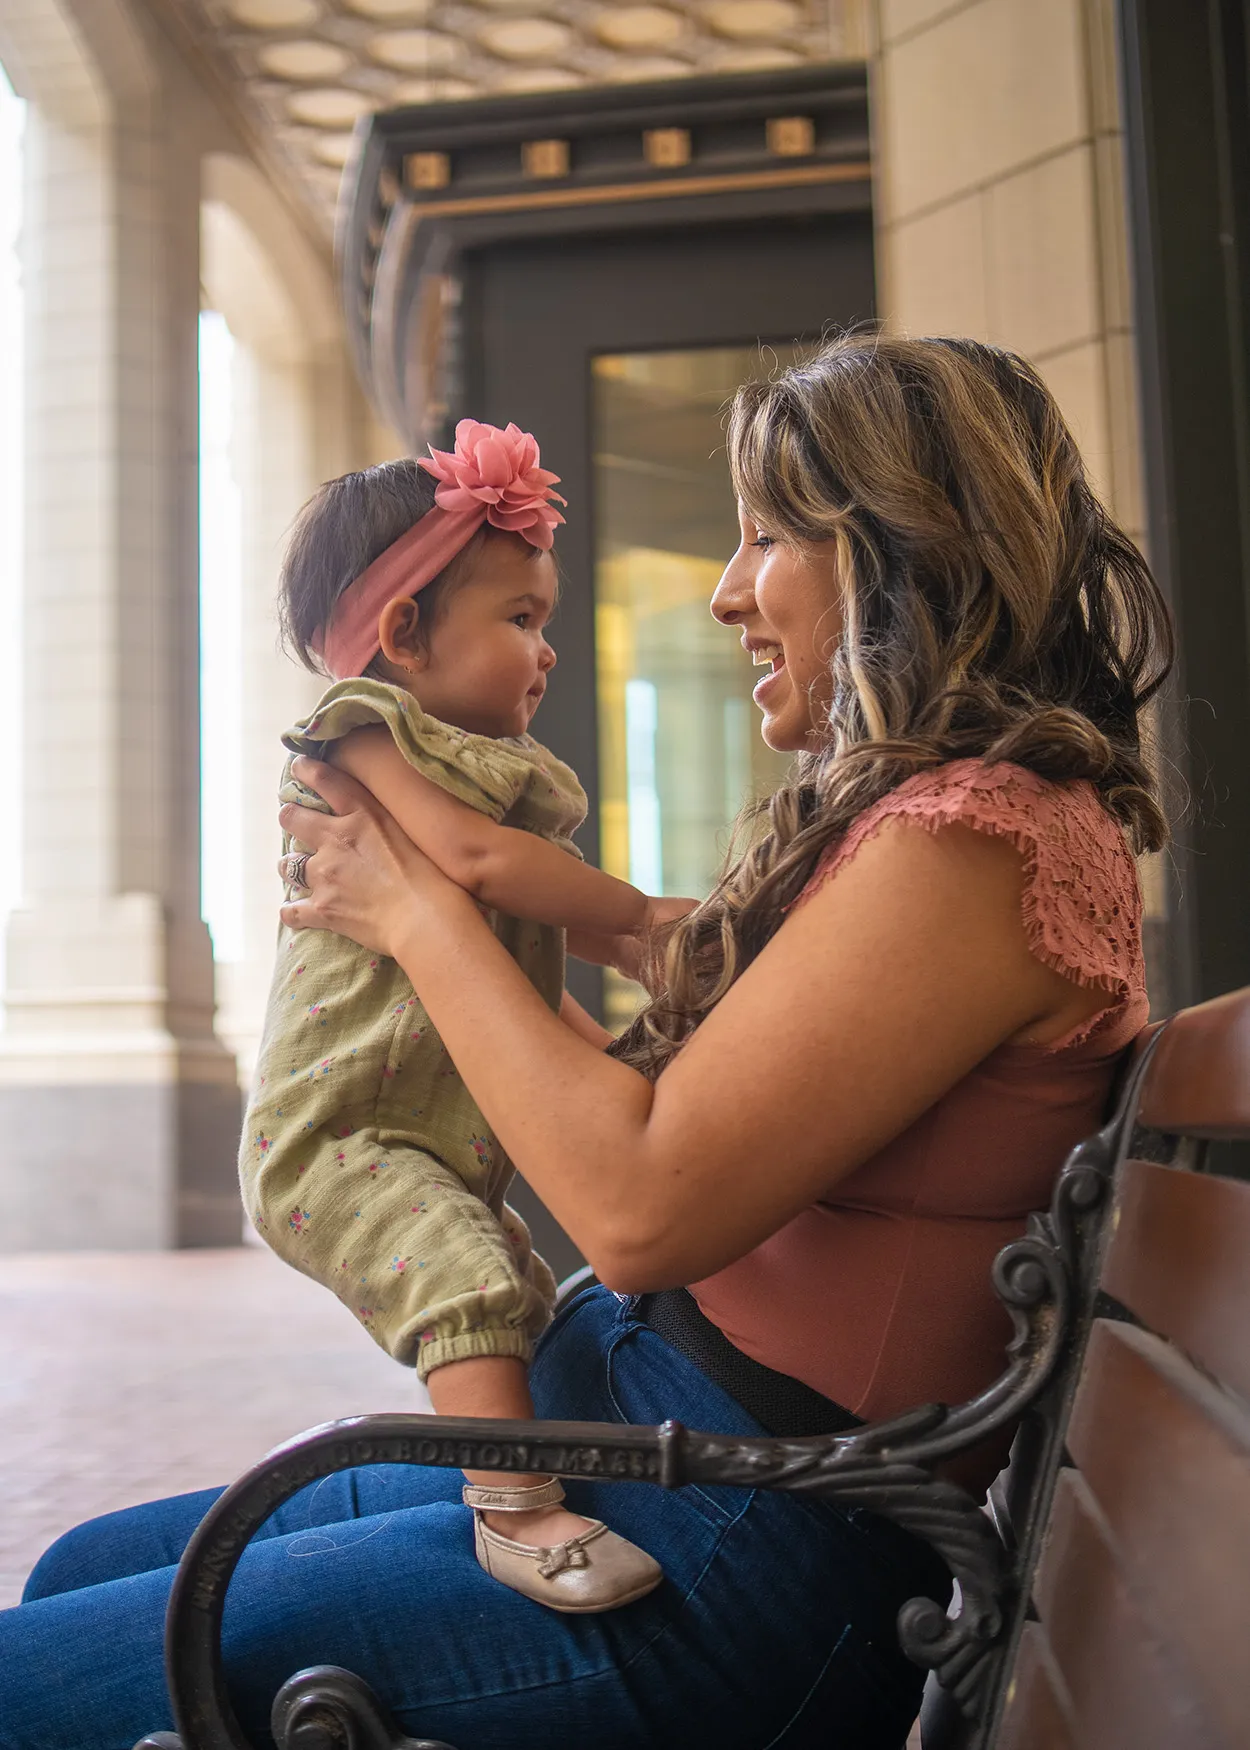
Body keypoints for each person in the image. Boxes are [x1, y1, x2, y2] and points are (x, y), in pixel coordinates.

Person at [0, 334, 1172, 1750]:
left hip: (722, 1551)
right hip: (641, 1441)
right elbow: (634, 1102)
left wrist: (414, 911)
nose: (728, 592)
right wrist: (422, 946)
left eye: (764, 537)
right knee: (76, 1570)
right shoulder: (939, 830)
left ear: (900, 547)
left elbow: (630, 1206)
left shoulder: (976, 840)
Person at [242, 420, 682, 1613]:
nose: (544, 652)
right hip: (338, 1134)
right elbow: (481, 869)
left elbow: (532, 954)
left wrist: (651, 1005)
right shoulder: (364, 735)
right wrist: (653, 921)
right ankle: (516, 1517)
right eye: (520, 620)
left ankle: (515, 1461)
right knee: (459, 1275)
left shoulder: (491, 764)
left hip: (426, 1125)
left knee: (513, 1284)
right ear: (400, 636)